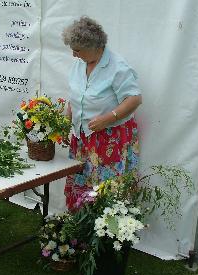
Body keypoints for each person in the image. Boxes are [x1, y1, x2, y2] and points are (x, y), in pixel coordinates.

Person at [62, 16, 142, 211]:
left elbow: (134, 98)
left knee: (106, 193)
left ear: (94, 46)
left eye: (77, 50)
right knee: (81, 189)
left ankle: (104, 236)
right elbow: (75, 95)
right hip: (83, 137)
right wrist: (66, 121)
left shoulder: (118, 67)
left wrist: (108, 118)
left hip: (109, 140)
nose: (73, 54)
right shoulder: (80, 63)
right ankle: (80, 231)